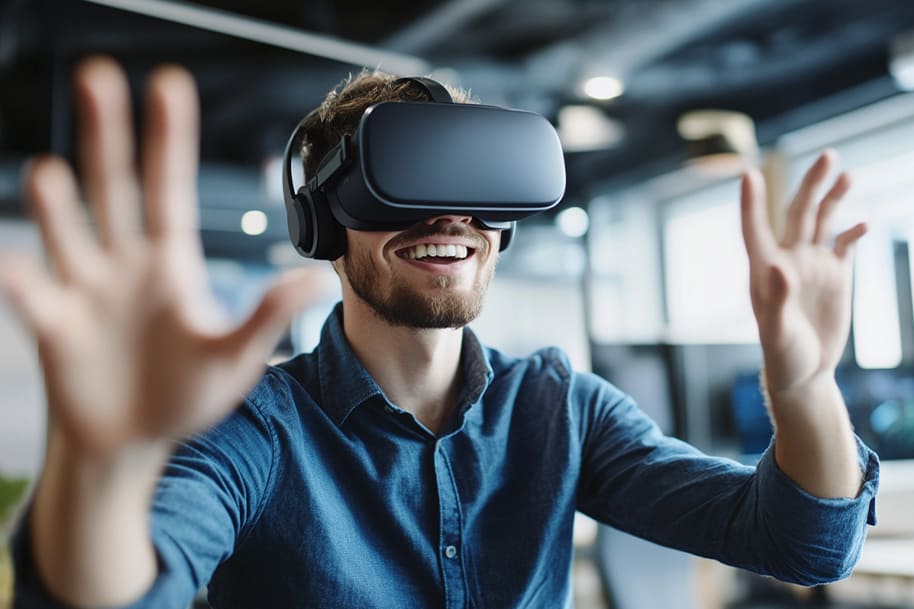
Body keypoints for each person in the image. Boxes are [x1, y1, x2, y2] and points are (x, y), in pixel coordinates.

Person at [2, 56, 878, 609]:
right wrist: (103, 463)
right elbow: (118, 588)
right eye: (399, 186)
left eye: (474, 189)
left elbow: (800, 542)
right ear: (323, 228)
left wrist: (803, 389)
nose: (449, 214)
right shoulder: (257, 425)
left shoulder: (560, 407)